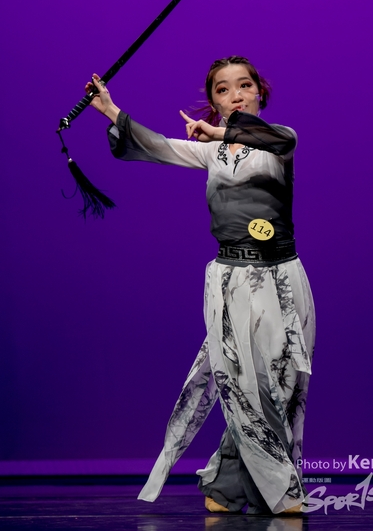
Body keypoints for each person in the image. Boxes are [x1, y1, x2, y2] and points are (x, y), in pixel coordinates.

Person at [86, 56, 315, 515]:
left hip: (283, 280)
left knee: (283, 384)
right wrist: (111, 110)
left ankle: (227, 487)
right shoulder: (210, 153)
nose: (236, 95)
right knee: (243, 384)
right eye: (223, 90)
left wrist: (219, 134)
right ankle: (274, 490)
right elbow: (155, 146)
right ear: (213, 101)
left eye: (244, 85)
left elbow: (276, 138)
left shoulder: (278, 141)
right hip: (232, 282)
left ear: (260, 92)